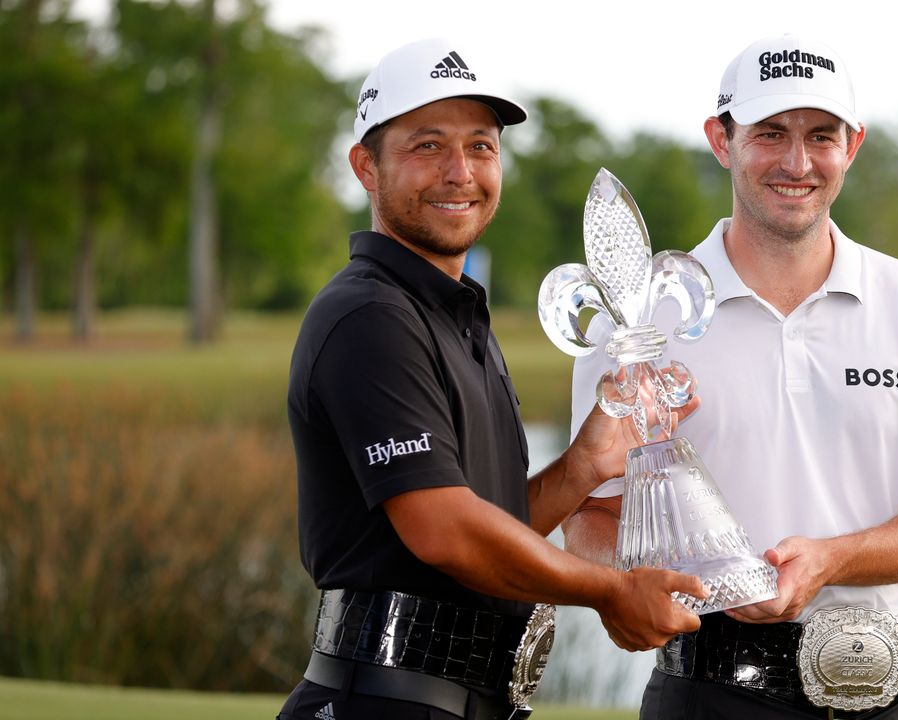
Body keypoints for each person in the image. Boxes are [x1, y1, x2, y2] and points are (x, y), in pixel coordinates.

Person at [564, 34, 898, 719]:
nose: (797, 162)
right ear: (720, 139)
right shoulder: (639, 315)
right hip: (707, 694)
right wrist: (661, 582)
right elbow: (591, 515)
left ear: (852, 146)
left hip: (894, 694)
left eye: (821, 136)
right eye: (769, 134)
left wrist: (833, 558)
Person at [277, 38, 704, 720]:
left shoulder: (454, 316)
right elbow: (445, 531)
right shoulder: (369, 315)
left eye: (480, 146)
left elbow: (486, 527)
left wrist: (583, 467)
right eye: (426, 146)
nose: (460, 172)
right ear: (366, 166)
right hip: (383, 701)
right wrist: (608, 590)